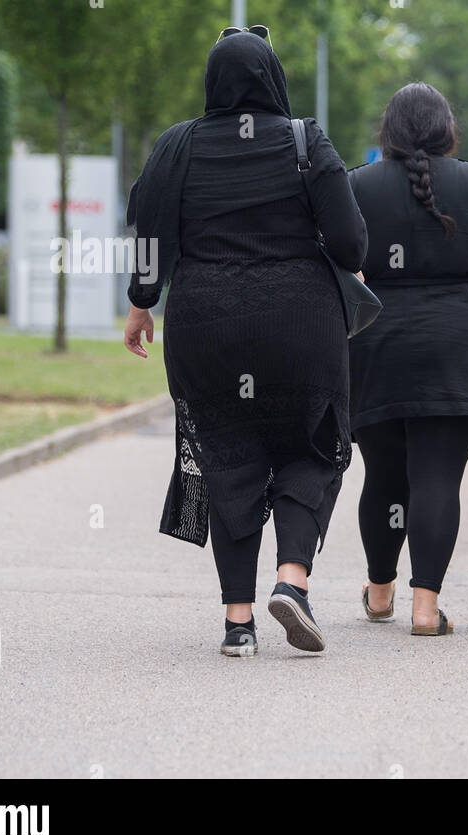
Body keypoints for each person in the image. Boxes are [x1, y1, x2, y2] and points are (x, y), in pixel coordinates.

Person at [122, 29, 367, 657]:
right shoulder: (306, 141)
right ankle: (292, 580)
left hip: (206, 323)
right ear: (274, 80)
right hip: (300, 324)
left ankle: (238, 623)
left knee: (226, 453)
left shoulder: (177, 146)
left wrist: (141, 304)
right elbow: (350, 245)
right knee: (313, 444)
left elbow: (149, 231)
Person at [349, 83, 468, 636]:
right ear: (447, 129)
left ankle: (379, 593)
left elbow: (330, 255)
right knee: (436, 478)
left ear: (389, 130)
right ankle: (426, 609)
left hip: (378, 344)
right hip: (461, 347)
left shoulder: (356, 186)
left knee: (383, 478)